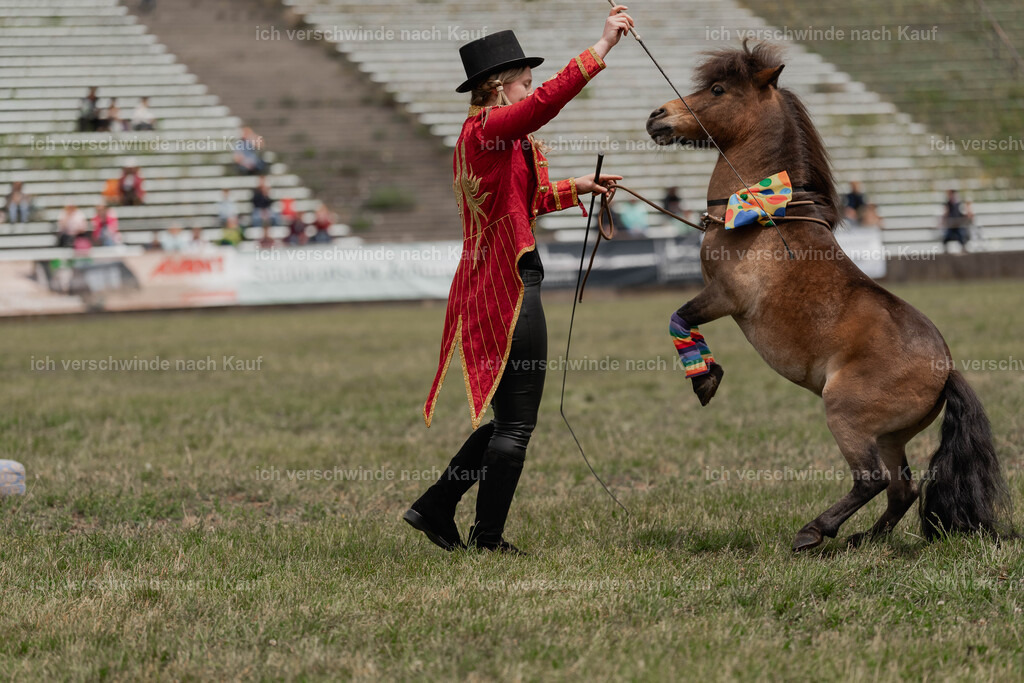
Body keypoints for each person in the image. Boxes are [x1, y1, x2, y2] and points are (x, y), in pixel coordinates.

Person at [406, 12, 633, 555]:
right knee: (517, 426)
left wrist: (576, 186)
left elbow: (523, 204)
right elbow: (542, 106)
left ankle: (438, 506)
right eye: (524, 80)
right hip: (509, 286)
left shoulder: (482, 138)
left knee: (508, 420)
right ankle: (486, 537)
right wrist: (603, 43)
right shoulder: (489, 128)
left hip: (489, 282)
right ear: (498, 86)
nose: (530, 88)